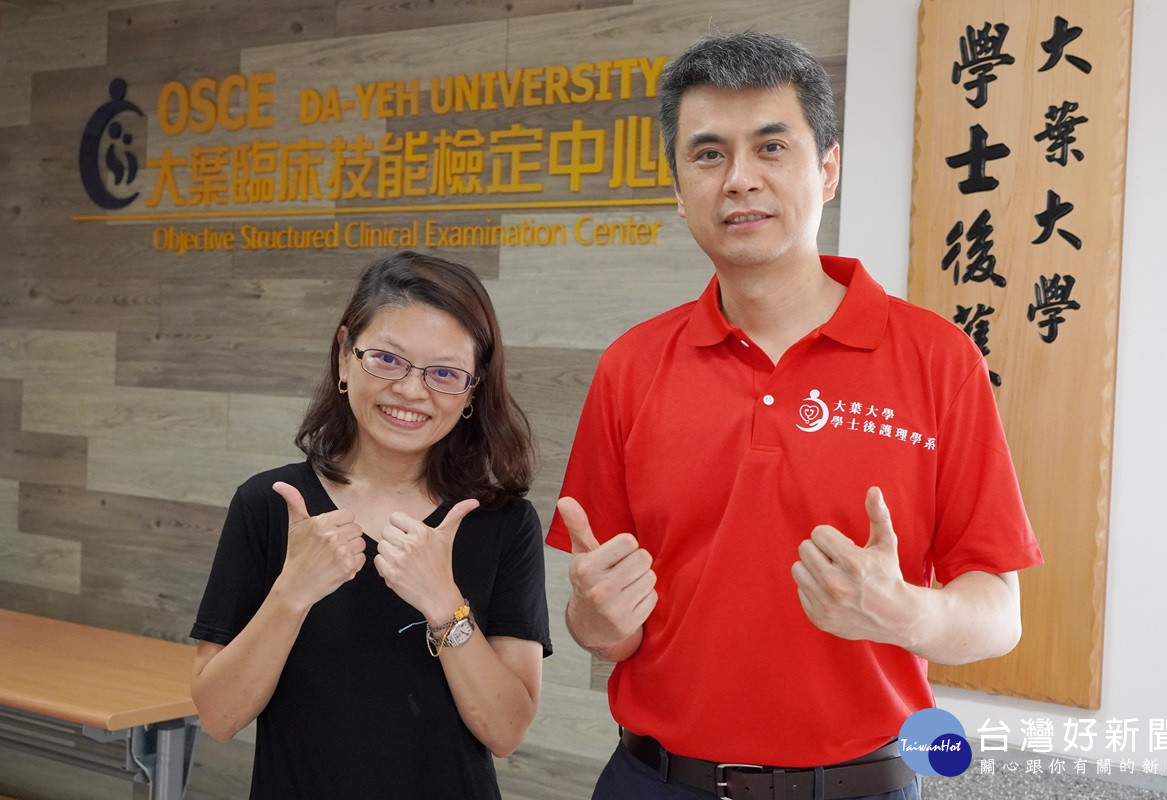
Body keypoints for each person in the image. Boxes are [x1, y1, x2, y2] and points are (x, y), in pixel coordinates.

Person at [545, 31, 1043, 800]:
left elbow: (999, 615)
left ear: (828, 169)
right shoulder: (631, 367)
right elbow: (605, 630)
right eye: (708, 154)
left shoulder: (937, 358)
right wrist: (594, 620)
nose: (739, 179)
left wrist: (905, 612)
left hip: (862, 784)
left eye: (771, 147)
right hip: (655, 780)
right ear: (678, 187)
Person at [190, 250, 552, 800]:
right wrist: (292, 593)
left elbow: (506, 732)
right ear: (344, 356)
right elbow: (218, 717)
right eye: (387, 359)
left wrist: (444, 604)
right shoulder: (271, 504)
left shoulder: (502, 523)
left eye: (445, 373)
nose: (411, 390)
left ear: (473, 390)